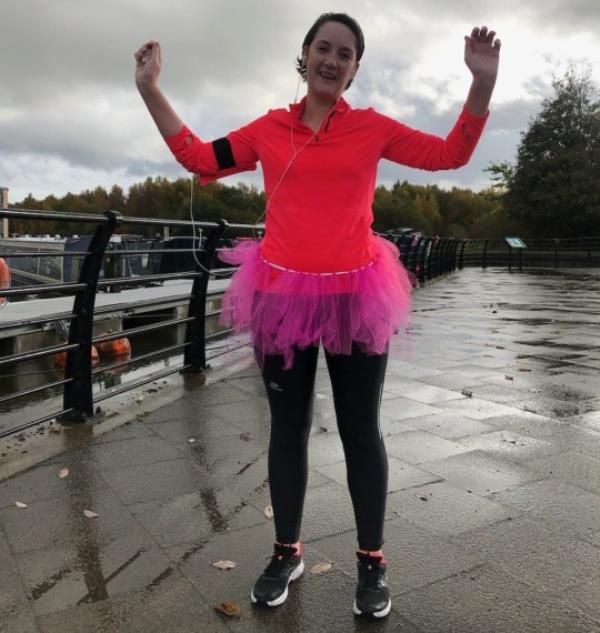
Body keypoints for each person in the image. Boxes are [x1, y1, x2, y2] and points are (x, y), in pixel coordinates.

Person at [134, 12, 500, 619]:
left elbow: (450, 154)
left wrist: (480, 84)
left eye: (346, 53)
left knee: (362, 432)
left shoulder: (371, 129)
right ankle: (287, 552)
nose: (333, 59)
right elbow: (200, 157)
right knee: (288, 429)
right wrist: (150, 88)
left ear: (355, 68)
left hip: (356, 295)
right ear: (304, 57)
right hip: (281, 297)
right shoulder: (269, 129)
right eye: (323, 48)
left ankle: (372, 562)